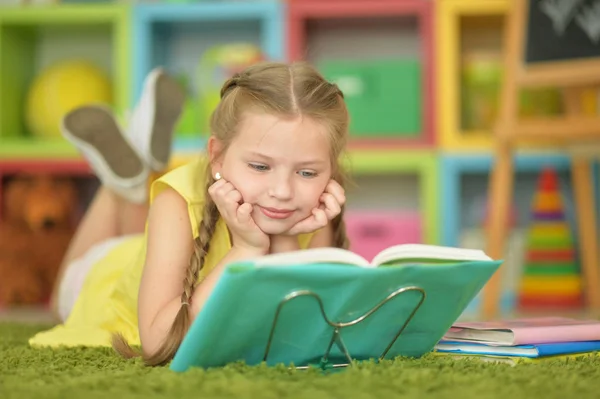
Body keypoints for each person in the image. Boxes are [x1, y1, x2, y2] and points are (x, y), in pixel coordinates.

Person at [29, 61, 350, 367]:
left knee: (140, 227)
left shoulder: (313, 210)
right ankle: (119, 185)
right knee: (62, 299)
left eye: (307, 173)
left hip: (157, 253)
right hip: (111, 275)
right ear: (217, 156)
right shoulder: (177, 201)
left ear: (330, 171)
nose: (283, 191)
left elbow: (303, 331)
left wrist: (284, 240)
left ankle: (134, 173)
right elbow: (158, 342)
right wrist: (246, 249)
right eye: (260, 166)